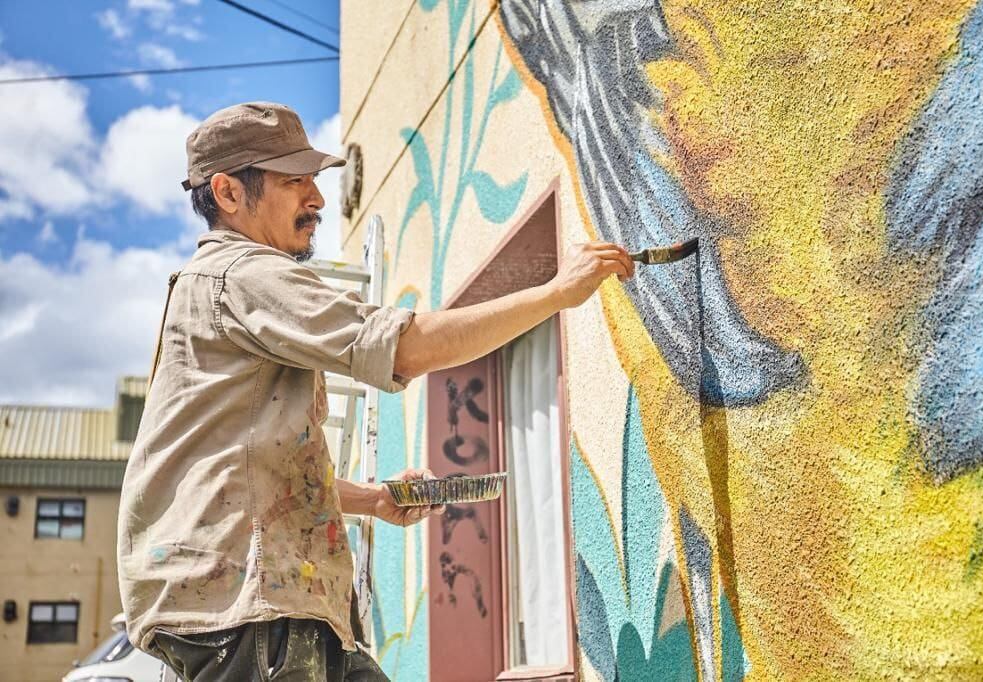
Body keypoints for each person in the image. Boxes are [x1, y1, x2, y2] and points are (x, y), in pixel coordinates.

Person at [116, 101, 635, 681]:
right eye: (294, 181)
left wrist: (372, 500)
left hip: (265, 605)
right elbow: (406, 347)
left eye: (314, 180)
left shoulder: (217, 288)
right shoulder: (243, 275)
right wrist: (556, 293)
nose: (315, 198)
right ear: (229, 193)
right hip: (252, 612)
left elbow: (242, 470)